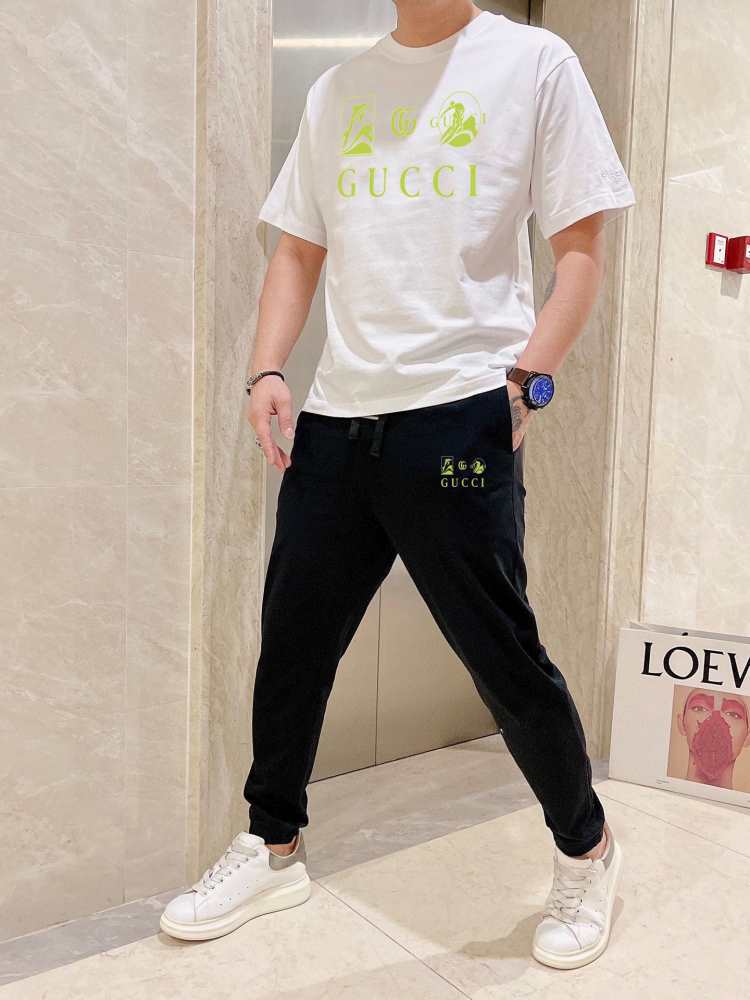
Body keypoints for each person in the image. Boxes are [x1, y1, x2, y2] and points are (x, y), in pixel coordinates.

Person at [161, 1, 635, 970]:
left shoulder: (533, 62)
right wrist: (266, 368)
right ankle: (274, 843)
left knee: (499, 652)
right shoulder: (339, 89)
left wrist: (530, 380)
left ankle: (587, 849)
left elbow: (581, 251)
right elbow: (299, 248)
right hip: (338, 421)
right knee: (293, 643)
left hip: (459, 416)